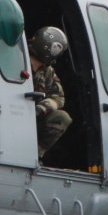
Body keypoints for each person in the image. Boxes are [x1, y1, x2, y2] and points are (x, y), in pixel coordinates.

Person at [28, 27, 72, 158]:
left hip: (34, 118)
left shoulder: (48, 71)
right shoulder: (16, 59)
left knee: (62, 118)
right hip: (10, 112)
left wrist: (40, 109)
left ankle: (34, 155)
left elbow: (58, 97)